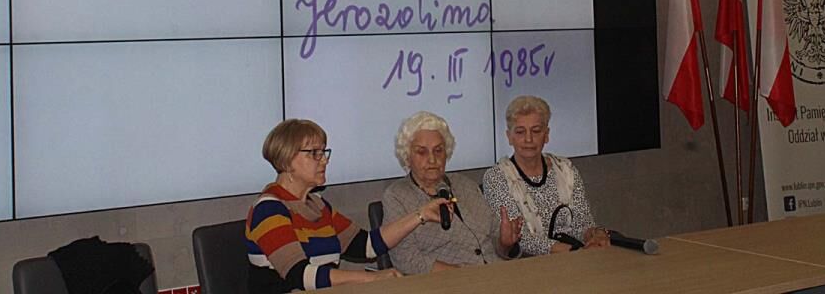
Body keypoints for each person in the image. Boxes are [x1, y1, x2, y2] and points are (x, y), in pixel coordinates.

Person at [246, 118, 448, 293]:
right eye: (314, 153)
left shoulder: (318, 205)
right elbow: (300, 275)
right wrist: (370, 278)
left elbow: (366, 245)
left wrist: (421, 214)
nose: (324, 161)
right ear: (287, 160)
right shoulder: (269, 209)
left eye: (324, 152)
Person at [382, 111, 523, 274]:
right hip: (446, 281)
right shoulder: (396, 196)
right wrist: (460, 274)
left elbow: (497, 242)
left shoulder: (465, 185)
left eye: (438, 150)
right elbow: (405, 259)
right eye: (422, 152)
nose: (432, 159)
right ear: (407, 157)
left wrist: (505, 243)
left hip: (495, 273)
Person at [482, 95, 609, 256]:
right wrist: (573, 252)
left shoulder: (566, 169)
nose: (528, 139)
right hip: (530, 263)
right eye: (520, 132)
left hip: (576, 255)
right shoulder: (496, 177)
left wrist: (594, 235)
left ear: (546, 134)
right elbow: (520, 238)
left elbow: (582, 222)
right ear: (509, 137)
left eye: (536, 131)